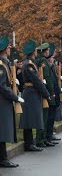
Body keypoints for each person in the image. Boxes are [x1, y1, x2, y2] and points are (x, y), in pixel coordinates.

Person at [20, 40, 51, 152]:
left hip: (31, 92)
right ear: (33, 52)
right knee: (28, 119)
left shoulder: (29, 62)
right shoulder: (29, 64)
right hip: (30, 93)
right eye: (36, 50)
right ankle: (29, 144)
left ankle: (29, 143)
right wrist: (46, 94)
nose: (37, 52)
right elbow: (37, 81)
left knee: (29, 119)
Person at [0, 36, 23, 167]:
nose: (10, 48)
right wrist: (15, 97)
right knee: (2, 130)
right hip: (2, 101)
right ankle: (3, 159)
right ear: (4, 49)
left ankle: (3, 158)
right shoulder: (1, 65)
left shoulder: (4, 63)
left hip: (3, 101)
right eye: (8, 47)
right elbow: (2, 86)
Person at [35, 43, 56, 147]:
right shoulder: (43, 61)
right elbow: (47, 78)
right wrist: (51, 93)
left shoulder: (37, 60)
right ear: (45, 51)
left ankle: (42, 139)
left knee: (43, 116)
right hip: (45, 92)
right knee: (44, 117)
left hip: (41, 91)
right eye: (47, 50)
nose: (49, 52)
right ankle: (41, 139)